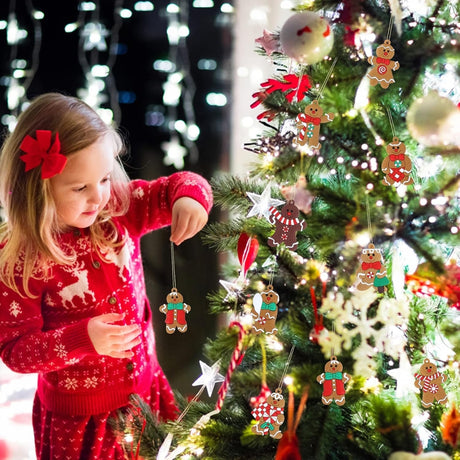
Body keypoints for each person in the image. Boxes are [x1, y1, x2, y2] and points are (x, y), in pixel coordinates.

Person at [0, 93, 213, 459]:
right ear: (37, 189)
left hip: (146, 392)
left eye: (102, 178)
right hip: (81, 422)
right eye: (80, 188)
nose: (97, 196)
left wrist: (189, 198)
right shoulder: (20, 259)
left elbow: (177, 185)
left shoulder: (117, 211)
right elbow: (16, 352)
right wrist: (84, 339)